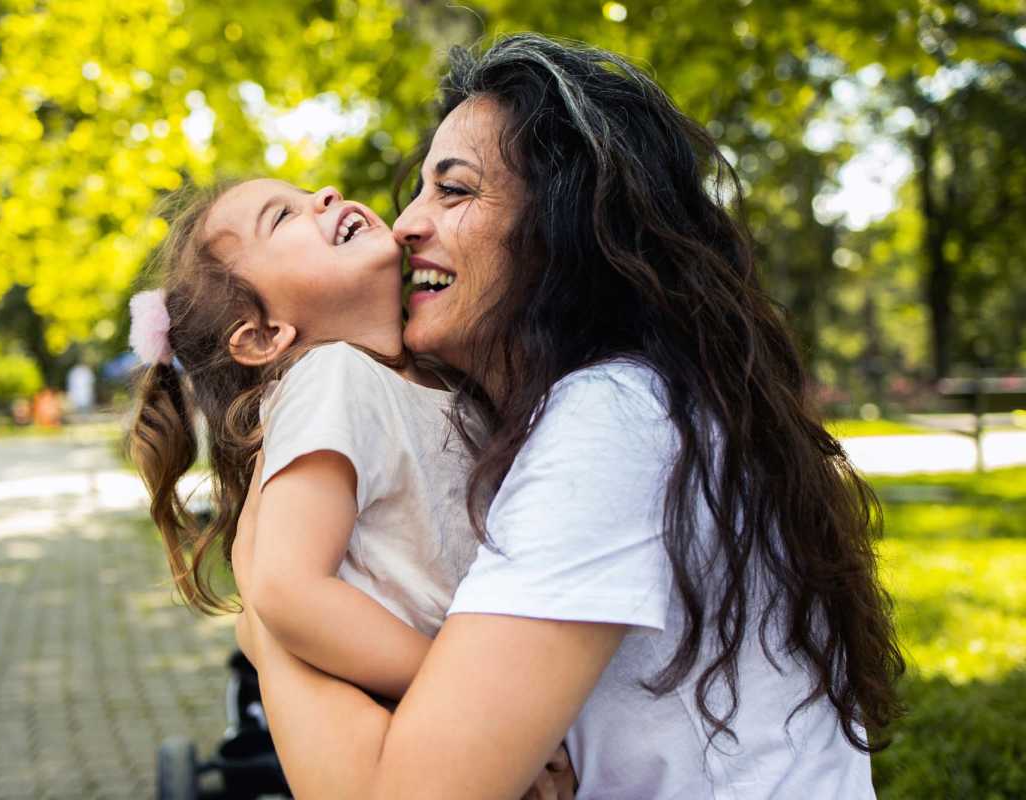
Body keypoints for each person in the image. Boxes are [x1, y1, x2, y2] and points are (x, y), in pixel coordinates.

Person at [230, 33, 905, 799]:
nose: (407, 223)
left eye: (453, 191)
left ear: (566, 225)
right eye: (418, 190)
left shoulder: (613, 423)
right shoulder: (594, 411)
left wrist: (269, 605)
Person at [126, 179, 573, 797]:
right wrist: (468, 698)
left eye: (310, 193)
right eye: (283, 216)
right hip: (427, 726)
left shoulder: (437, 378)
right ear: (263, 335)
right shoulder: (330, 376)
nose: (327, 195)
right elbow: (288, 589)